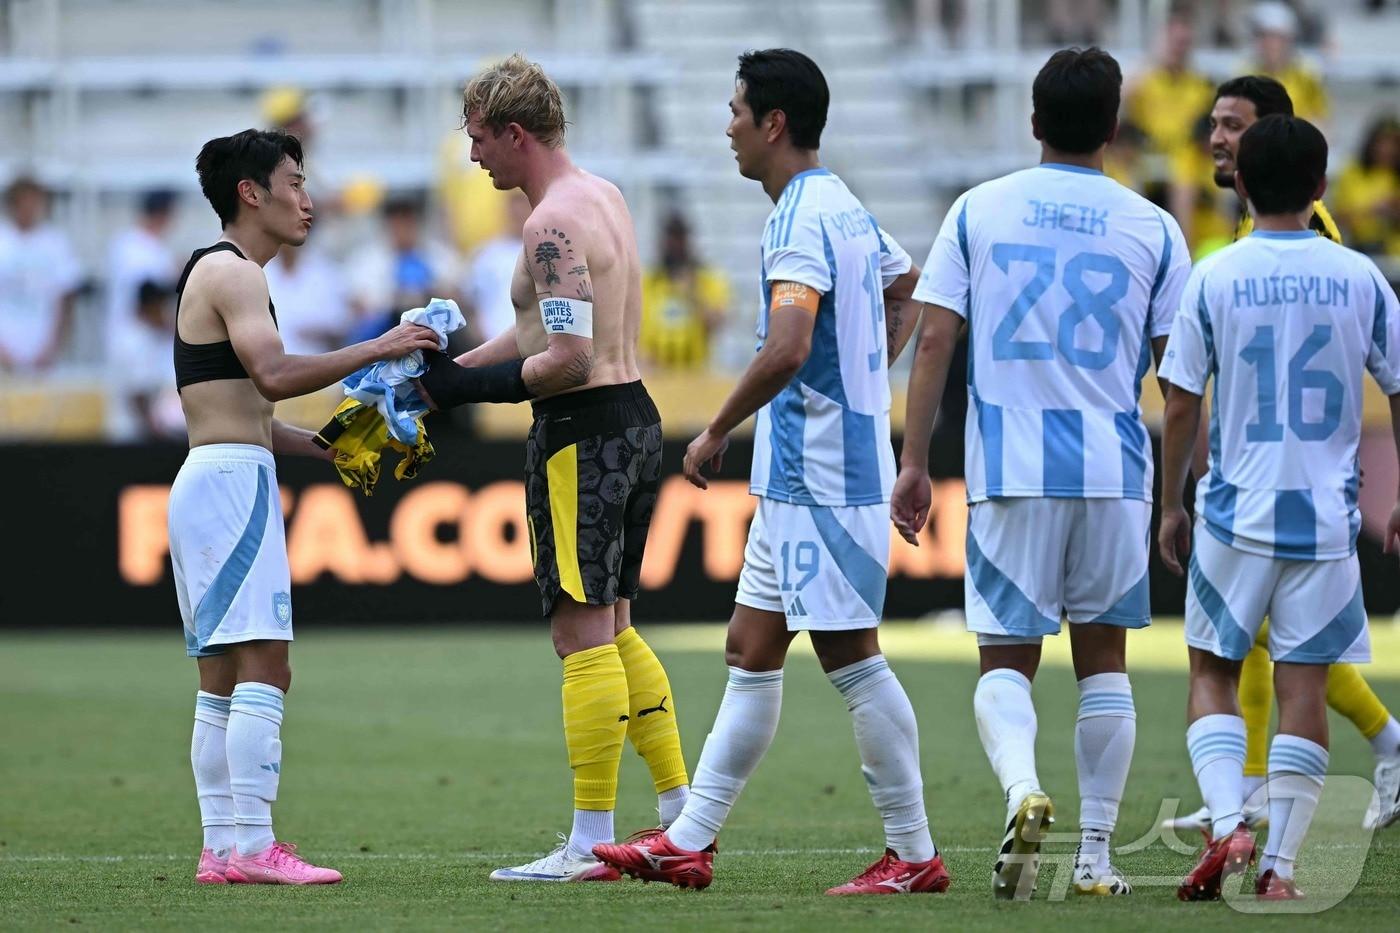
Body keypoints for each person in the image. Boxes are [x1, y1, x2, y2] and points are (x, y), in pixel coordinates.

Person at [591, 48, 942, 896]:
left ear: (773, 123)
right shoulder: (844, 206)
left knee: (853, 656)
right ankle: (689, 839)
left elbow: (787, 346)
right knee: (751, 649)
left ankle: (914, 852)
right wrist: (865, 374)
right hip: (801, 477)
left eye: (737, 110)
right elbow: (907, 282)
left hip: (823, 476)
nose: (728, 125)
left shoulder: (797, 217)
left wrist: (715, 428)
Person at [892, 47, 1192, 899]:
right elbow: (1178, 382)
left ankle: (1024, 788)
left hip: (1012, 466)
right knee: (1105, 663)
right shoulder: (1152, 226)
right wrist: (1175, 493)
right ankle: (1095, 857)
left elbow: (937, 339)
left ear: (1033, 121)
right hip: (1112, 468)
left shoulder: (979, 209)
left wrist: (914, 460)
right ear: (1113, 126)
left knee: (1004, 663)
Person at [410, 54, 692, 884]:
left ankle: (587, 841)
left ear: (516, 134)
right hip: (634, 417)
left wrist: (471, 390)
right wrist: (448, 374)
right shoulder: (598, 196)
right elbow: (542, 335)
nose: (473, 159)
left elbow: (563, 361)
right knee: (616, 625)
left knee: (579, 632)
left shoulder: (548, 226)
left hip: (584, 431)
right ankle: (680, 811)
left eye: (479, 140)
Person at [171, 128, 438, 886]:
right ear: (249, 192)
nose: (308, 200)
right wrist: (379, 346)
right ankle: (253, 847)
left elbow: (252, 413)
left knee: (221, 674)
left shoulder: (212, 271)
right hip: (231, 486)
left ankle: (223, 847)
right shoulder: (237, 275)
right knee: (266, 665)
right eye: (294, 181)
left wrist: (333, 445)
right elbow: (276, 372)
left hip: (213, 470)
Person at [1158, 115, 1400, 901]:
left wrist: (1172, 502)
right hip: (1326, 517)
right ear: (1324, 187)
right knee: (1304, 684)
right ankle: (1282, 870)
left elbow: (1184, 402)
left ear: (1241, 184)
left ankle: (1230, 814)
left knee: (1211, 667)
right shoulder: (1361, 277)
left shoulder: (1215, 274)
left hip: (1235, 509)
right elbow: (1399, 384)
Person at [346, 195, 459, 342]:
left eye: (407, 223)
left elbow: (455, 295)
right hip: (384, 332)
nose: (402, 230)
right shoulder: (366, 260)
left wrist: (425, 295)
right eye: (397, 224)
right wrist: (399, 300)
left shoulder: (439, 256)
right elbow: (361, 305)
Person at [0, 176, 82, 372]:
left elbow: (66, 298)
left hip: (44, 353)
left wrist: (53, 347)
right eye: (24, 203)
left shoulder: (56, 243)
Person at [638, 211, 730, 370]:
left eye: (679, 238)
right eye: (670, 238)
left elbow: (717, 323)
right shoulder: (647, 280)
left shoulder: (707, 278)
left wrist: (692, 293)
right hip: (655, 373)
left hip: (695, 373)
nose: (674, 245)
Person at [104, 189, 177, 351]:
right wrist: (173, 328)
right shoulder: (137, 248)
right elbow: (144, 298)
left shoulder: (130, 243)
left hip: (139, 340)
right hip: (137, 341)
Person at [113, 279, 184, 441]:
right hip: (137, 435)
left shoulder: (152, 336)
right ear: (148, 308)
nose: (166, 312)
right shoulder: (133, 341)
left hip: (148, 433)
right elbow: (138, 394)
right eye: (161, 306)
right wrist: (156, 434)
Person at [461, 189, 532, 346]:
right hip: (492, 345)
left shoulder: (543, 251)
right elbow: (469, 302)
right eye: (514, 204)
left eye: (523, 203)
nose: (518, 211)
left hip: (532, 346)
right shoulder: (486, 255)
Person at [1243, 2, 1328, 123]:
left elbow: (1322, 120)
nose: (1270, 44)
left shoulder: (1307, 75)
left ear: (1289, 40)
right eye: (1264, 37)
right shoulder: (1245, 75)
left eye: (1276, 37)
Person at [264, 243, 354, 355]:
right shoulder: (261, 272)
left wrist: (318, 330)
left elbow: (342, 322)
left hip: (316, 360)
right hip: (270, 362)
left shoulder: (325, 272)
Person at [1333, 116, 1400, 258]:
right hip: (1360, 248)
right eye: (1382, 142)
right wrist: (1373, 210)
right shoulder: (1353, 172)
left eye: (1394, 144)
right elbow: (1338, 217)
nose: (1388, 149)